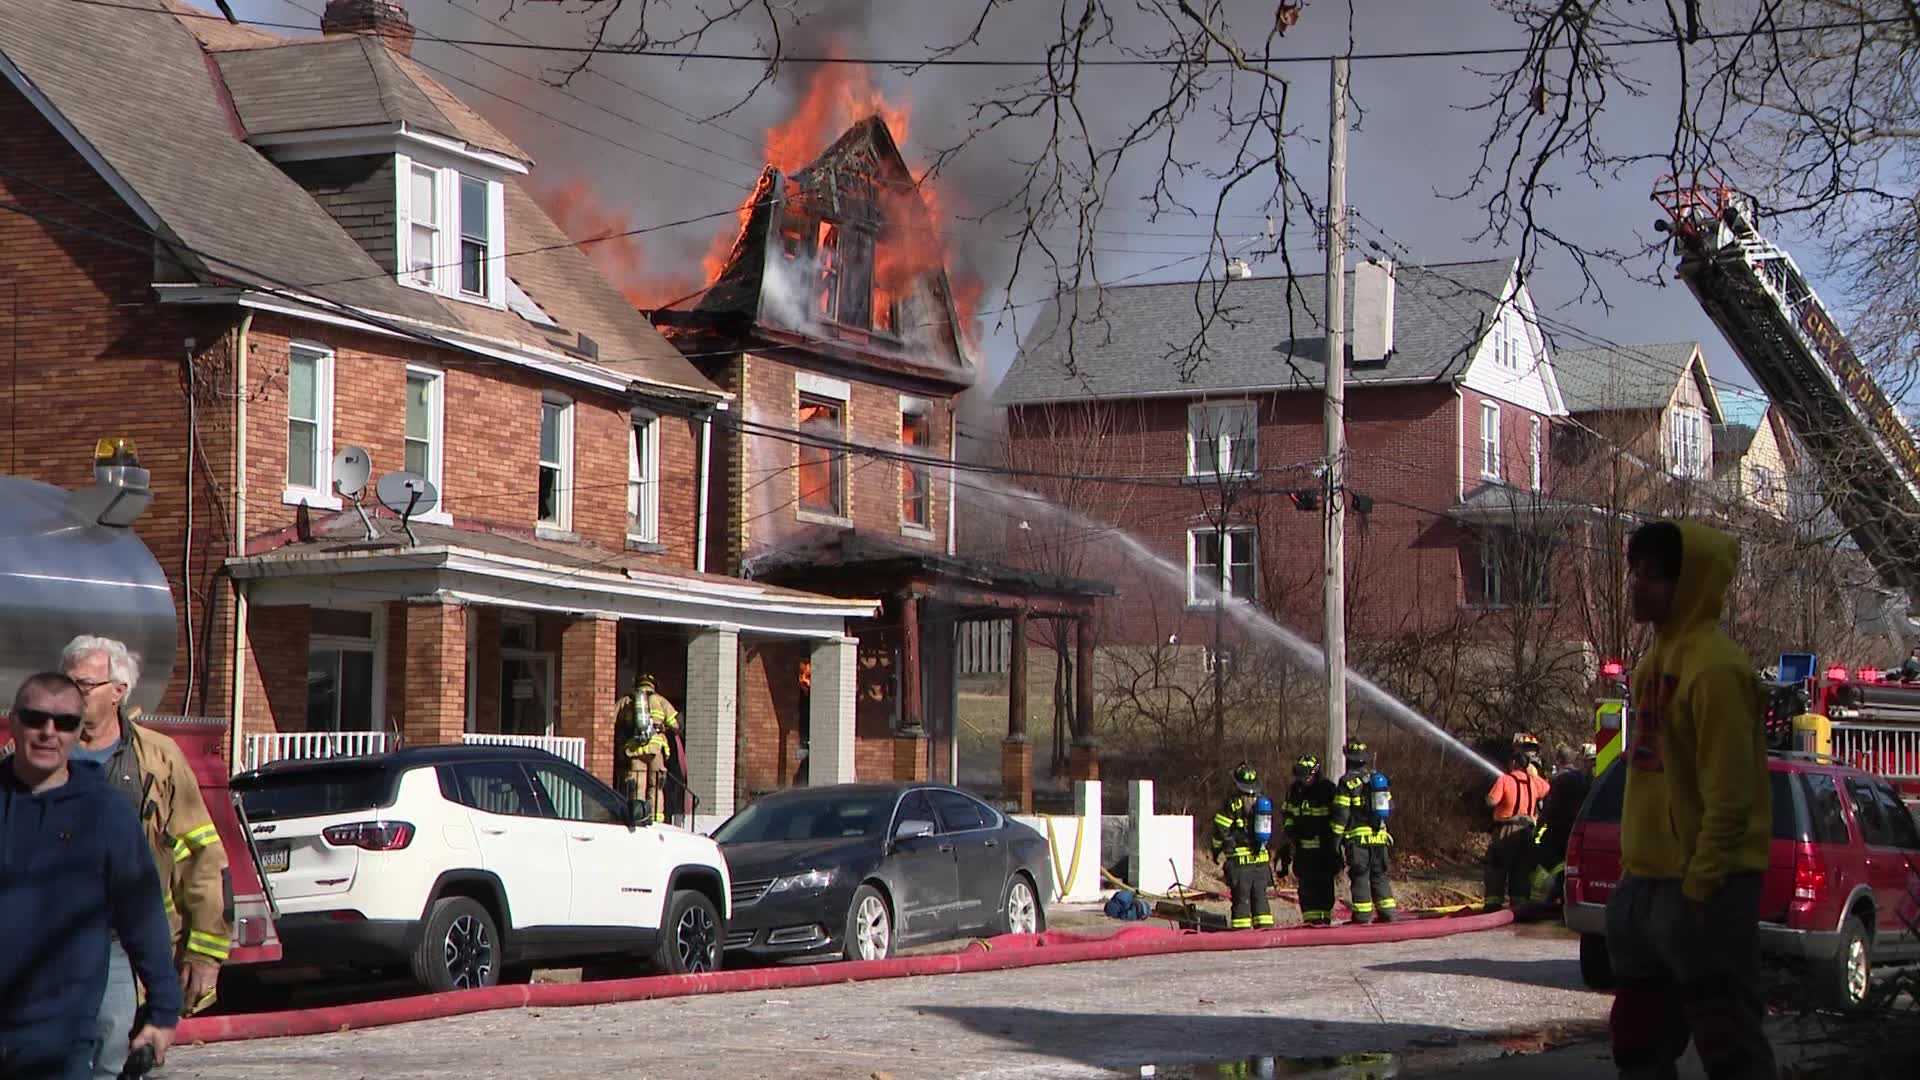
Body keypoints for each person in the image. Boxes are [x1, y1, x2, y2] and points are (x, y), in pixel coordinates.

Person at [1607, 521, 1775, 1080]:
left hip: (1706, 888)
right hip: (1649, 885)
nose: (1635, 585)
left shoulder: (1718, 669)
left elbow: (1731, 793)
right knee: (1638, 1046)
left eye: (1650, 576)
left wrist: (1703, 884)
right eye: (1635, 572)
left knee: (1730, 1048)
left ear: (1690, 584)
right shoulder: (1654, 664)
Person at [61, 636, 228, 1078]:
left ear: (118, 690)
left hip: (132, 945)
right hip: (55, 944)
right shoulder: (37, 755)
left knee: (127, 1059)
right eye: (64, 683)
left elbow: (202, 857)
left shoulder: (158, 760)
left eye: (82, 686)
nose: (69, 695)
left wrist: (204, 953)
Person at [1, 673, 182, 1079]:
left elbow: (143, 918)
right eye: (35, 719)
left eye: (64, 722)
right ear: (12, 721)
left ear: (78, 730)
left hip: (61, 1042)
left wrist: (163, 1011)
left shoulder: (107, 815)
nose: (49, 732)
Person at [1483, 737, 1551, 911]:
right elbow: (1548, 789)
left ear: (1513, 763)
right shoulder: (1534, 782)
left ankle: (1493, 905)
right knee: (1521, 870)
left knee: (1496, 867)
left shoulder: (1505, 780)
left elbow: (1491, 801)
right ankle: (1519, 907)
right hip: (1527, 832)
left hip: (1506, 830)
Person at [1331, 739, 1395, 924]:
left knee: (1360, 876)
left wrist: (1335, 842)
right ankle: (1388, 913)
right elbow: (1390, 806)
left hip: (1358, 841)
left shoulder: (1346, 782)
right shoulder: (1376, 779)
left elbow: (1341, 816)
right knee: (1380, 876)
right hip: (1380, 837)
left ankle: (1363, 916)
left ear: (1348, 759)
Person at [1208, 763, 1274, 930]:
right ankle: (1266, 934)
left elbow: (1220, 830)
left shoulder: (1232, 803)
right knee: (1261, 901)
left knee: (1241, 902)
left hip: (1240, 864)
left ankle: (1241, 936)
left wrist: (1216, 850)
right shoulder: (1262, 801)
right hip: (1261, 862)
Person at [1281, 753, 1338, 927]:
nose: (1303, 779)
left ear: (1315, 773)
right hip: (1303, 851)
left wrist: (1335, 846)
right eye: (1300, 776)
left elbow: (1337, 818)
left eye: (1306, 776)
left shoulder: (1327, 789)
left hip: (1324, 851)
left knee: (1324, 887)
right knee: (1306, 888)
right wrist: (1290, 832)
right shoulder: (1294, 791)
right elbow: (1288, 814)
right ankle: (1310, 922)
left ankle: (1324, 920)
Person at [614, 674, 681, 822]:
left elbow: (610, 718)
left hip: (635, 749)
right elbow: (675, 725)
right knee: (656, 785)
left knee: (638, 785)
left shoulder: (627, 700)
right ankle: (656, 819)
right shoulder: (661, 700)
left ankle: (638, 817)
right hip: (655, 749)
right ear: (653, 685)